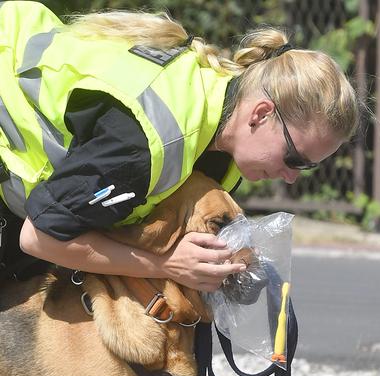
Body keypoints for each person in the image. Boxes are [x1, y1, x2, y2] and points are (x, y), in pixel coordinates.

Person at [0, 1, 359, 292]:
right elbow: (40, 237)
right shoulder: (144, 146)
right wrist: (166, 266)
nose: (292, 177)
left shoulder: (221, 146)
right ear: (261, 114)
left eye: (307, 166)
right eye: (294, 158)